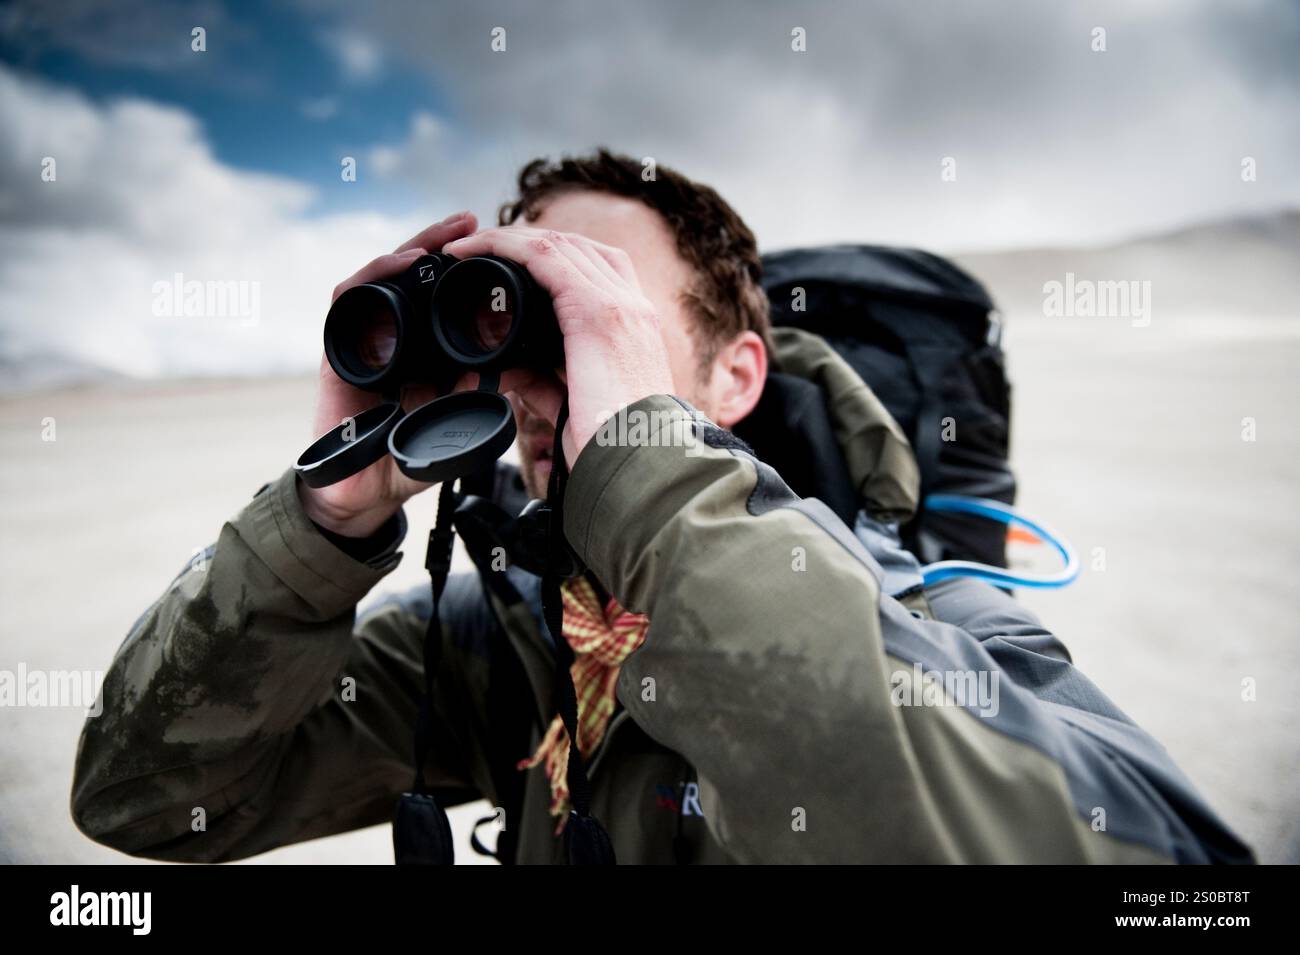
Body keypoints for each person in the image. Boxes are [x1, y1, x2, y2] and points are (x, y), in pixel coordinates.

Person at [70, 150, 1253, 864]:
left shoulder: (928, 618)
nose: (538, 378)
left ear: (736, 375)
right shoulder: (507, 644)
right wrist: (319, 532)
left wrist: (647, 466)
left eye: (594, 312)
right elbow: (145, 803)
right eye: (517, 316)